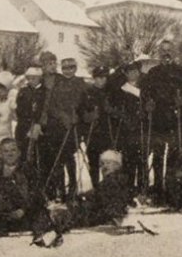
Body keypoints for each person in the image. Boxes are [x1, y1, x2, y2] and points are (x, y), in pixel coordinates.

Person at [32, 149, 133, 248]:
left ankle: (45, 233)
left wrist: (78, 201)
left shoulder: (112, 181)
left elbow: (98, 199)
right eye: (102, 164)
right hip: (103, 214)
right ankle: (49, 231)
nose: (104, 167)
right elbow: (97, 196)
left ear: (117, 165)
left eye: (108, 163)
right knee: (65, 212)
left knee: (61, 213)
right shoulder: (116, 180)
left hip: (102, 215)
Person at [139, 40, 182, 201]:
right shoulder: (153, 72)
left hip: (176, 119)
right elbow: (144, 93)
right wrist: (148, 103)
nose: (166, 53)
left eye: (169, 50)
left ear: (173, 52)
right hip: (158, 120)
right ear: (159, 53)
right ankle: (157, 187)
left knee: (174, 155)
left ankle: (171, 187)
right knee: (158, 155)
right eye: (163, 50)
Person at [37, 57, 86, 200]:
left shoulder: (81, 83)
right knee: (58, 158)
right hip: (58, 127)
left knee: (69, 157)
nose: (68, 71)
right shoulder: (58, 83)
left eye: (71, 68)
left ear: (75, 68)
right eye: (65, 68)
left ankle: (73, 188)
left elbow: (86, 103)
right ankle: (61, 189)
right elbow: (51, 106)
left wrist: (79, 115)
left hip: (74, 126)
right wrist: (63, 116)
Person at [108, 61, 146, 195]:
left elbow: (149, 105)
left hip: (141, 128)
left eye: (135, 71)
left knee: (142, 159)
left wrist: (147, 110)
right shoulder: (120, 90)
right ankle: (128, 188)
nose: (133, 74)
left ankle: (142, 188)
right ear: (126, 74)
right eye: (130, 72)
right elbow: (114, 108)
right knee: (128, 159)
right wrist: (121, 115)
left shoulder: (145, 88)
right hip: (126, 129)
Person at [82, 66, 111, 189]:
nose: (102, 80)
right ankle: (96, 187)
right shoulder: (87, 92)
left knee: (108, 161)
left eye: (104, 77)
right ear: (94, 78)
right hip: (93, 132)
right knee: (93, 162)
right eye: (99, 77)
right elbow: (81, 112)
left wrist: (111, 110)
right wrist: (89, 116)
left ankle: (107, 187)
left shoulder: (109, 92)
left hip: (107, 132)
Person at [15, 67, 46, 168]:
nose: (31, 81)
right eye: (29, 78)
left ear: (40, 78)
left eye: (34, 78)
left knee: (36, 153)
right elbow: (19, 108)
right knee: (22, 152)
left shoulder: (44, 91)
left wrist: (37, 121)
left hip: (37, 126)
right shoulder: (23, 91)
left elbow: (44, 109)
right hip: (23, 125)